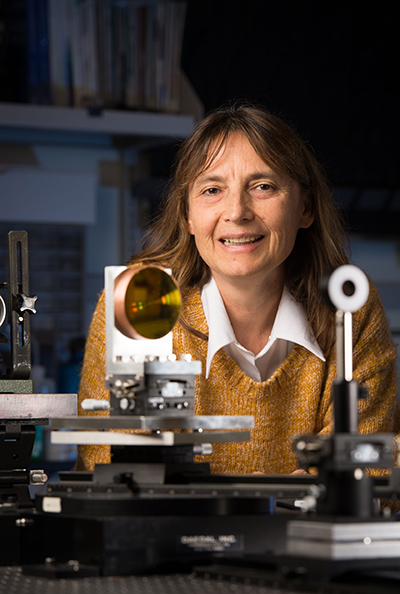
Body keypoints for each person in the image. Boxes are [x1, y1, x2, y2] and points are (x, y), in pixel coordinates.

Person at [75, 101, 399, 475]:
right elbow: (110, 464)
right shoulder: (141, 295)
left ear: (305, 208)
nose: (237, 211)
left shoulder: (347, 306)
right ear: (187, 216)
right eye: (212, 190)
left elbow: (371, 468)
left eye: (263, 186)